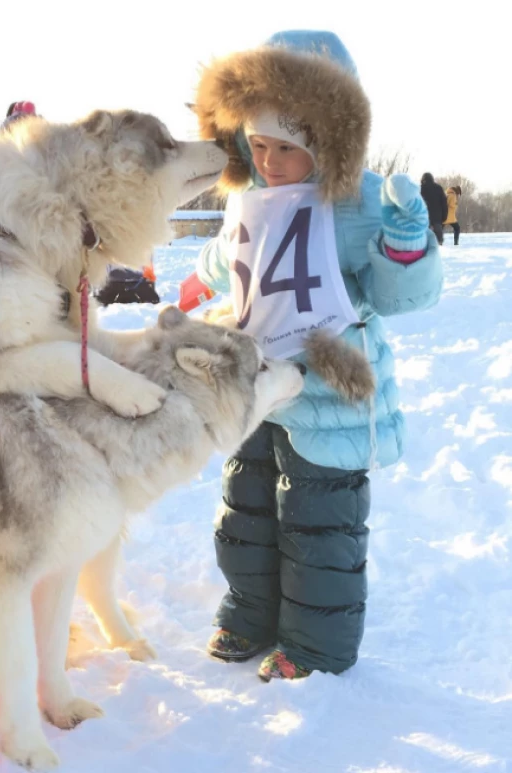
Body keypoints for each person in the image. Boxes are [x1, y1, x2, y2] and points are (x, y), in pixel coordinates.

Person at [188, 30, 443, 681]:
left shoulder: (357, 205)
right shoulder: (251, 195)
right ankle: (249, 613)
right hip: (257, 381)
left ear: (327, 143)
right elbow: (232, 256)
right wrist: (202, 275)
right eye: (260, 145)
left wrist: (406, 246)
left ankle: (315, 645)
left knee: (319, 526)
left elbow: (398, 295)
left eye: (288, 149)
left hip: (327, 397)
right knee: (245, 512)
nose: (270, 161)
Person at [420, 172, 448, 246]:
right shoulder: (438, 188)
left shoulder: (420, 189)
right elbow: (444, 204)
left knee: (424, 238)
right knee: (438, 237)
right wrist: (444, 217)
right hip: (437, 218)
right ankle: (439, 245)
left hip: (423, 217)